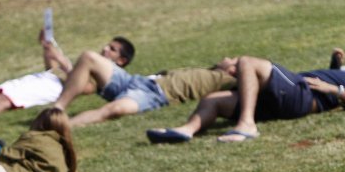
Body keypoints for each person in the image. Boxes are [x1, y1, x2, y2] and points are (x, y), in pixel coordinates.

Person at [145, 48, 345, 144]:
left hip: (300, 93)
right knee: (214, 100)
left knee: (248, 62)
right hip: (285, 102)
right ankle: (187, 130)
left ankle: (247, 125)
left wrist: (333, 89)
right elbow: (337, 77)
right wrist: (336, 66)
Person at [0, 35, 136, 124]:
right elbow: (51, 69)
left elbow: (82, 87)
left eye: (112, 49)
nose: (105, 48)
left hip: (47, 90)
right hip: (41, 79)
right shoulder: (87, 65)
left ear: (122, 61)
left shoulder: (101, 78)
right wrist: (48, 49)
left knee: (2, 102)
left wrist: (62, 59)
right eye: (108, 45)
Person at [51, 50, 239, 127]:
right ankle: (56, 110)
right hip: (137, 81)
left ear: (233, 69)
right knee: (88, 56)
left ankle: (58, 125)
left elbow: (254, 81)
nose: (227, 57)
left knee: (115, 109)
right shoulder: (210, 71)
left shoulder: (225, 80)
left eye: (232, 59)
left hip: (153, 94)